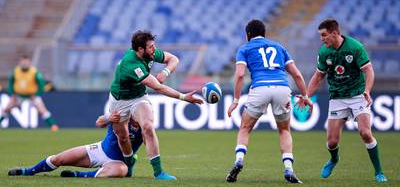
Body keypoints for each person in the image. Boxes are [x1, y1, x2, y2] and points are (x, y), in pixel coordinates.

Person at [225, 20, 313, 183]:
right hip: (282, 88)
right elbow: (297, 75)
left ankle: (239, 160)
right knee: (284, 130)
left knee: (245, 127)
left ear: (248, 34)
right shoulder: (279, 47)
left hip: (260, 88)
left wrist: (236, 100)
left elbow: (239, 75)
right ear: (264, 33)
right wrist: (305, 96)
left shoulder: (245, 48)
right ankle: (288, 169)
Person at [109, 30, 203, 180]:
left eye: (154, 46)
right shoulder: (131, 64)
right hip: (119, 100)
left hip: (138, 97)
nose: (154, 49)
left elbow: (174, 59)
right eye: (151, 47)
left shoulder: (150, 53)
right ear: (140, 49)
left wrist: (165, 72)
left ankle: (159, 172)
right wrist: (184, 97)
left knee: (147, 127)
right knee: (123, 137)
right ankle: (129, 162)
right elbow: (158, 87)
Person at [306, 18, 387, 182]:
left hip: (358, 95)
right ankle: (334, 159)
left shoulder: (355, 47)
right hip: (337, 97)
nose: (322, 39)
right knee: (331, 142)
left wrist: (367, 91)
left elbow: (369, 70)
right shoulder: (324, 52)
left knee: (365, 133)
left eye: (324, 35)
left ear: (334, 33)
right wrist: (307, 96)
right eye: (321, 36)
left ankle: (379, 172)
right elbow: (318, 76)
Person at [8, 111, 142, 178]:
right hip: (100, 149)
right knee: (58, 159)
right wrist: (108, 118)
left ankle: (76, 175)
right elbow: (99, 122)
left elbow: (151, 143)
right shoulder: (122, 112)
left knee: (120, 171)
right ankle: (28, 171)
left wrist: (157, 170)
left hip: (118, 162)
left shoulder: (145, 126)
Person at [0, 55, 58, 131]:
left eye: (26, 62)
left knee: (42, 110)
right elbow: (11, 83)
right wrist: (12, 94)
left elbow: (41, 84)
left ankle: (53, 126)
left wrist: (36, 94)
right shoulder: (16, 71)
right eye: (23, 62)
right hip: (18, 96)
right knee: (6, 109)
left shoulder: (34, 72)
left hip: (32, 96)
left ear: (29, 63)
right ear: (20, 62)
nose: (24, 63)